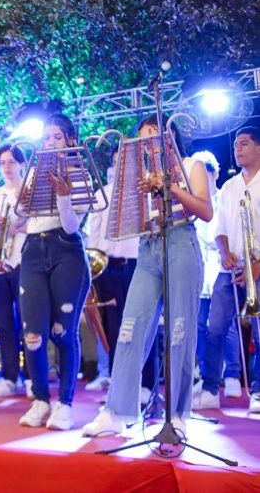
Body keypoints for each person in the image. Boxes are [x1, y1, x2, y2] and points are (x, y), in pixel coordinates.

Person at [83, 114, 213, 437]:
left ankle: (178, 415)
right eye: (143, 140)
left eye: (153, 135)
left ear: (170, 135)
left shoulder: (191, 164)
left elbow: (205, 211)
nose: (148, 144)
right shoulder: (140, 175)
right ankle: (117, 411)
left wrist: (168, 187)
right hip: (148, 247)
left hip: (181, 243)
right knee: (130, 328)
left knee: (180, 331)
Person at [17, 114, 92, 431]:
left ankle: (65, 403)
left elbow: (72, 227)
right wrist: (24, 199)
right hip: (33, 249)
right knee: (33, 333)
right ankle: (40, 399)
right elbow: (22, 215)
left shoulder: (81, 175)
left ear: (70, 141)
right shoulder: (35, 172)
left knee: (64, 332)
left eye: (57, 137)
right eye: (46, 138)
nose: (50, 143)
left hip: (67, 250)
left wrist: (63, 195)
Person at [194, 127, 260, 413]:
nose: (238, 149)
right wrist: (224, 252)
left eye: (244, 144)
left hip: (258, 266)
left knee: (259, 333)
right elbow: (219, 229)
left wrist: (256, 266)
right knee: (215, 329)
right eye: (236, 145)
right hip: (230, 269)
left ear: (259, 148)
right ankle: (210, 389)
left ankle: (257, 392)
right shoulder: (230, 187)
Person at [85, 148, 158, 407]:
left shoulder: (148, 192)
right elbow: (94, 238)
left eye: (125, 163)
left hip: (140, 266)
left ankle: (146, 386)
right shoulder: (101, 194)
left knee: (143, 326)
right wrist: (93, 272)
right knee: (115, 330)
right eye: (116, 163)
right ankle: (119, 386)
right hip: (108, 268)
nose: (119, 168)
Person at [0, 145, 30, 398]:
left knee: (28, 322)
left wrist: (16, 228)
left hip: (24, 261)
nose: (7, 167)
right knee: (3, 324)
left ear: (22, 164)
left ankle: (31, 376)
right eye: (2, 162)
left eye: (12, 161)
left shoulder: (30, 191)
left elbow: (39, 225)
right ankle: (9, 377)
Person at [193, 152, 243, 399]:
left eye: (205, 172)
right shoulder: (193, 201)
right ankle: (207, 376)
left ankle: (232, 374)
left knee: (226, 324)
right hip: (200, 269)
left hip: (221, 265)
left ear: (214, 174)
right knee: (202, 324)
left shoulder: (224, 195)